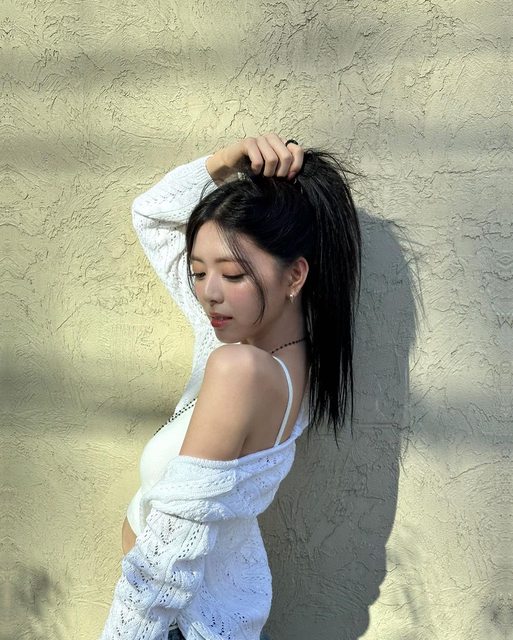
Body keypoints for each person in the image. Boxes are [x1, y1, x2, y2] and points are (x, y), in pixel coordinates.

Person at [100, 133, 362, 640]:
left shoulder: (240, 368)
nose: (208, 294)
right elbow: (152, 215)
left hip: (171, 624)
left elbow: (166, 561)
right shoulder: (261, 344)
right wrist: (226, 163)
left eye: (234, 274)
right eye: (199, 272)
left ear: (295, 276)